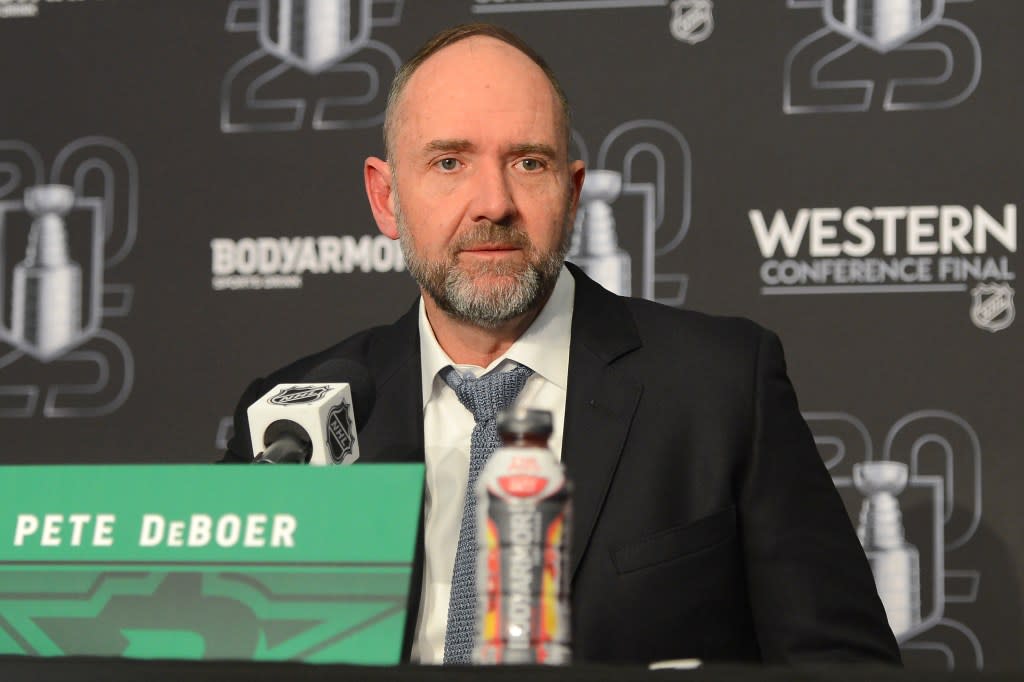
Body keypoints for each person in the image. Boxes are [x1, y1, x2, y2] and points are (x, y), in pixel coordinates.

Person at [223, 23, 901, 666]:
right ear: (386, 196)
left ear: (571, 192)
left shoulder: (720, 389)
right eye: (450, 161)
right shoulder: (292, 422)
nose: (493, 202)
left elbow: (841, 662)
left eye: (527, 161)